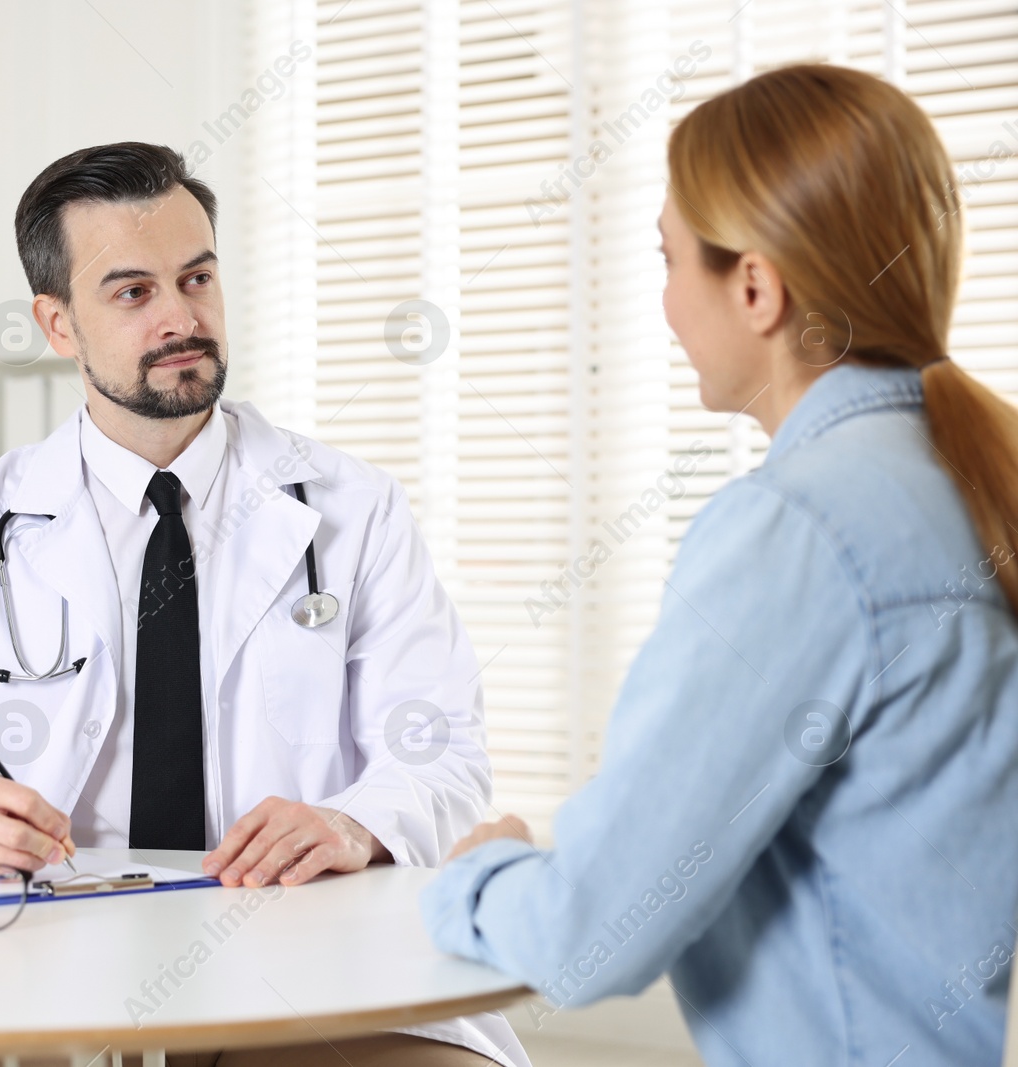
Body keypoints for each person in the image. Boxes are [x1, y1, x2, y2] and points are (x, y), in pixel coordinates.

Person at [0, 143, 527, 1067]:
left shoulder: (353, 511)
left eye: (196, 277)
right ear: (58, 324)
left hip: (308, 971)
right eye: (132, 293)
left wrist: (352, 822)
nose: (181, 317)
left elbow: (439, 746)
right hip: (37, 978)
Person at [423, 63, 1018, 1066]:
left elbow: (588, 935)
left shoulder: (800, 527)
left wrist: (478, 874)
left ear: (753, 286)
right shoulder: (966, 478)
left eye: (667, 261)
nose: (661, 303)